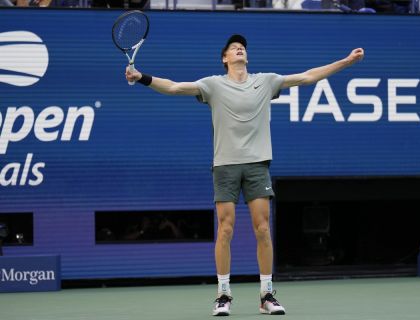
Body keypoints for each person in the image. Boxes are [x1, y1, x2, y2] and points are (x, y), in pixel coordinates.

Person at [125, 34, 364, 316]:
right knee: (225, 229)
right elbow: (175, 87)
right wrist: (141, 77)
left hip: (256, 164)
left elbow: (307, 77)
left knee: (262, 229)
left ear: (246, 57)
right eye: (233, 48)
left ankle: (266, 295)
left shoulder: (266, 81)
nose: (239, 49)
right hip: (225, 165)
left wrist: (346, 62)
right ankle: (223, 295)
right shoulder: (212, 85)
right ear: (225, 58)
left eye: (242, 48)